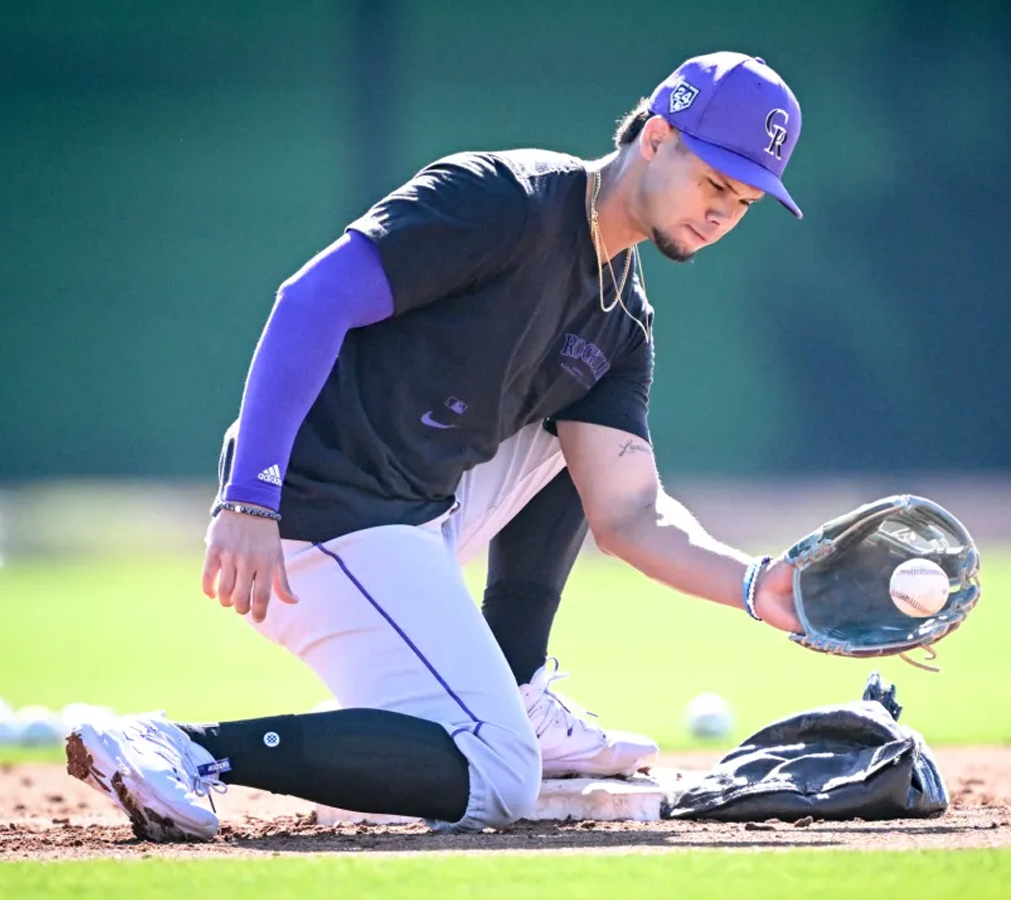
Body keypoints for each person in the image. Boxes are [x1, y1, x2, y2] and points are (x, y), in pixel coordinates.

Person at [66, 50, 809, 842]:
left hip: (420, 510)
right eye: (715, 182)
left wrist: (759, 587)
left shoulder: (620, 319)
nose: (723, 213)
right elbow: (311, 300)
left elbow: (630, 513)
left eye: (745, 201)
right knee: (499, 775)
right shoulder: (505, 200)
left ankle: (513, 682)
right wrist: (251, 496)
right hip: (319, 511)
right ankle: (183, 746)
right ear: (655, 138)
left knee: (582, 429)